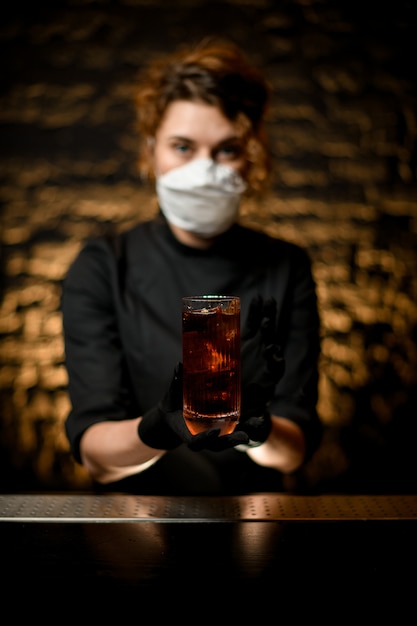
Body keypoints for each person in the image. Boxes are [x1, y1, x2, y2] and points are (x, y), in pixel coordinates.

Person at [61, 38, 322, 495]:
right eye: (182, 146)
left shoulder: (286, 267)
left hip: (254, 524)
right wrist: (158, 430)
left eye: (226, 149)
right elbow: (96, 458)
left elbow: (294, 451)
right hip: (132, 528)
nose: (203, 170)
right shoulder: (105, 266)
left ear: (252, 156)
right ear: (150, 151)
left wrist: (258, 429)